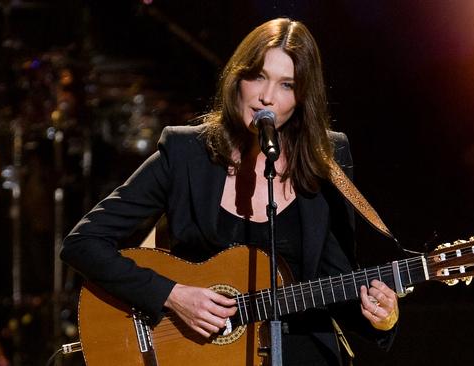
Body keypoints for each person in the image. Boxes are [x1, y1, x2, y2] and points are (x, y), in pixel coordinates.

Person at [60, 17, 398, 365]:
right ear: (238, 77)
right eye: (259, 76)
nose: (267, 96)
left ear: (302, 97)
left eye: (286, 85)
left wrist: (382, 316)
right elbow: (82, 243)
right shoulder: (186, 154)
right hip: (200, 353)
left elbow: (336, 281)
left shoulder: (328, 158)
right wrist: (172, 295)